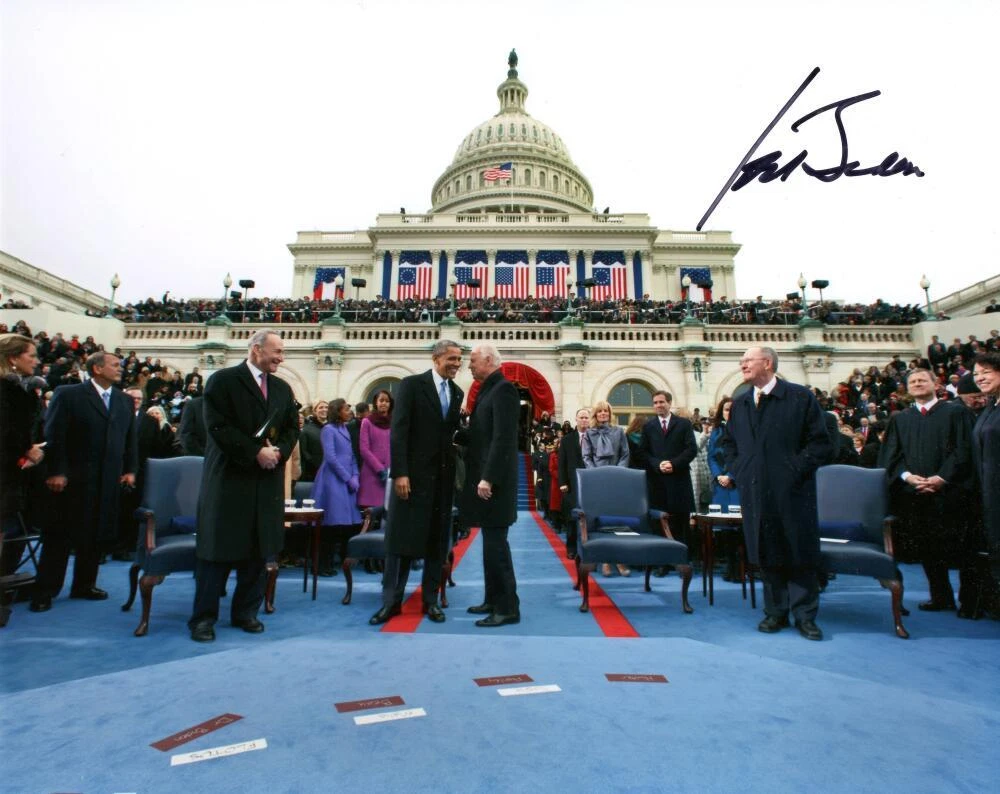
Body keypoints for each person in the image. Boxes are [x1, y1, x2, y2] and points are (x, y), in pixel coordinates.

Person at [188, 329, 300, 642]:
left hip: (266, 481)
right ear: (255, 349)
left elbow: (293, 427)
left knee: (258, 550)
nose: (281, 358)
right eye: (276, 351)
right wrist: (255, 452)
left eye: (282, 352)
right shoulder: (223, 380)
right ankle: (203, 619)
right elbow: (218, 427)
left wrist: (279, 452)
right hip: (229, 480)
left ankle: (245, 612)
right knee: (217, 553)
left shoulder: (281, 387)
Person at [721, 347, 833, 640]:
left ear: (767, 363)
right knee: (767, 552)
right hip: (756, 492)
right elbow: (729, 445)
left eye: (748, 360)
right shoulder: (741, 404)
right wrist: (741, 470)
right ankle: (776, 612)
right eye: (742, 359)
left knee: (799, 551)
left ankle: (805, 616)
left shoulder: (800, 397)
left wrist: (793, 470)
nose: (741, 364)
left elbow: (820, 443)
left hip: (794, 493)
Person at [31, 351, 138, 612]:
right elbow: (55, 434)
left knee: (96, 535)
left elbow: (130, 439)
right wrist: (57, 471)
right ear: (98, 368)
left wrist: (130, 469)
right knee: (59, 536)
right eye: (115, 365)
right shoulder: (69, 394)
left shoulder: (124, 400)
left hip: (108, 479)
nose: (120, 369)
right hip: (72, 479)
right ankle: (46, 590)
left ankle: (84, 585)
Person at [370, 340, 463, 626]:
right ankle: (391, 602)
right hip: (410, 480)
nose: (457, 364)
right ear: (436, 358)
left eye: (459, 360)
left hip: (443, 481)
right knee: (401, 542)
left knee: (436, 543)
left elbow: (452, 435)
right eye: (452, 359)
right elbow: (399, 432)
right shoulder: (411, 385)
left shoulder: (457, 393)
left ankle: (431, 601)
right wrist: (400, 473)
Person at [877, 368, 974, 614]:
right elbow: (891, 456)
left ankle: (970, 602)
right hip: (916, 494)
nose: (918, 384)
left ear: (936, 383)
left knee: (962, 549)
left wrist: (941, 478)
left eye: (922, 380)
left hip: (951, 492)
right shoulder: (900, 418)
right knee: (928, 548)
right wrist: (909, 477)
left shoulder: (956, 412)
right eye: (912, 381)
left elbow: (963, 450)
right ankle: (940, 597)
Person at [459, 344, 521, 627]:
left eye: (472, 360)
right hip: (486, 481)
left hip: (495, 484)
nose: (468, 365)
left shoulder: (504, 390)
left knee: (496, 546)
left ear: (487, 360)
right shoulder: (487, 389)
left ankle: (507, 607)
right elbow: (481, 435)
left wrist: (489, 478)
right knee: (490, 545)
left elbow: (503, 439)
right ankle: (493, 598)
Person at [0, 334, 46, 625]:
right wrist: (27, 449)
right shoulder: (9, 391)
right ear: (13, 358)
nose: (37, 360)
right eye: (31, 355)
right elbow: (6, 430)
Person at [640, 390, 697, 562]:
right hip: (657, 482)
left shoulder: (684, 424)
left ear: (669, 403)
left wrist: (673, 463)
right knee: (659, 523)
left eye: (661, 402)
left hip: (679, 480)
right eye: (655, 403)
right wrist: (658, 464)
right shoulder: (648, 426)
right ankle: (661, 562)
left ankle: (681, 560)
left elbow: (691, 449)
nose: (658, 405)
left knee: (681, 522)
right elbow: (643, 453)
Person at [311, 398, 363, 576]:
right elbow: (331, 458)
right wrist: (348, 478)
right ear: (337, 411)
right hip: (332, 481)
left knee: (341, 525)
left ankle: (334, 561)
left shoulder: (344, 429)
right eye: (346, 408)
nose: (349, 411)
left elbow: (351, 456)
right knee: (329, 525)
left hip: (345, 481)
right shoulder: (328, 429)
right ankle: (321, 565)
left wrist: (355, 475)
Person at [971, 352, 1000, 617]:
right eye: (976, 374)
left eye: (986, 372)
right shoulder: (990, 407)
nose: (979, 378)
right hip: (990, 490)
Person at [557, 407, 589, 560]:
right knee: (571, 518)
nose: (584, 420)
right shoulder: (567, 439)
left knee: (588, 517)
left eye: (586, 418)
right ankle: (571, 548)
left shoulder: (593, 437)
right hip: (571, 483)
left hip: (590, 483)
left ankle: (587, 548)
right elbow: (561, 462)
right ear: (576, 420)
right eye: (581, 417)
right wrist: (562, 482)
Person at [358, 390, 392, 509]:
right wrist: (379, 469)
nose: (384, 403)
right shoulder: (367, 421)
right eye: (381, 400)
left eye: (387, 401)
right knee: (370, 514)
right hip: (372, 473)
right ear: (375, 403)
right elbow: (364, 449)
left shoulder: (395, 422)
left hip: (390, 473)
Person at [298, 400, 328, 482]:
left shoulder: (332, 427)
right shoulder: (307, 430)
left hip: (330, 471)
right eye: (321, 407)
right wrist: (317, 465)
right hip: (313, 473)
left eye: (326, 407)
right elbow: (304, 453)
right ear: (315, 411)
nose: (324, 409)